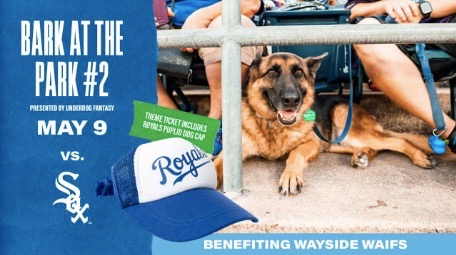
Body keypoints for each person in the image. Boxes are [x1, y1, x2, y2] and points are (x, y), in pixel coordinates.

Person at [345, 0, 456, 153]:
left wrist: (422, 9)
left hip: (447, 26)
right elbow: (351, 9)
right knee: (365, 30)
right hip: (392, 38)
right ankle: (450, 131)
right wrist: (386, 5)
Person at [155, 0, 264, 155]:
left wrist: (200, 17)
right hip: (168, 26)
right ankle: (175, 128)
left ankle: (215, 126)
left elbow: (250, 3)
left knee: (227, 27)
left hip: (222, 19)